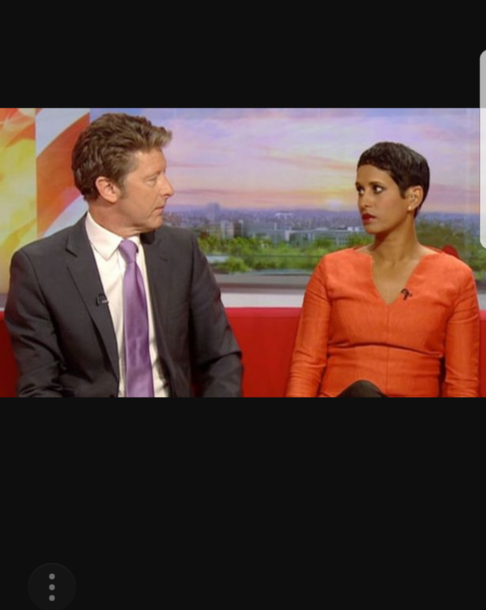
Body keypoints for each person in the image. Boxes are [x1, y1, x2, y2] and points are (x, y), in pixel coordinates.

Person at [5, 113, 242, 398]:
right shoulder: (39, 268)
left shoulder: (182, 250)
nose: (169, 189)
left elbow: (220, 359)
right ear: (108, 188)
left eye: (164, 174)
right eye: (153, 179)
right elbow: (39, 388)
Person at [286, 142, 480, 398]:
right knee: (363, 393)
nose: (364, 202)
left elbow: (462, 386)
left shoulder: (456, 277)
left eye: (376, 189)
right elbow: (306, 368)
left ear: (413, 197)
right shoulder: (331, 269)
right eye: (360, 190)